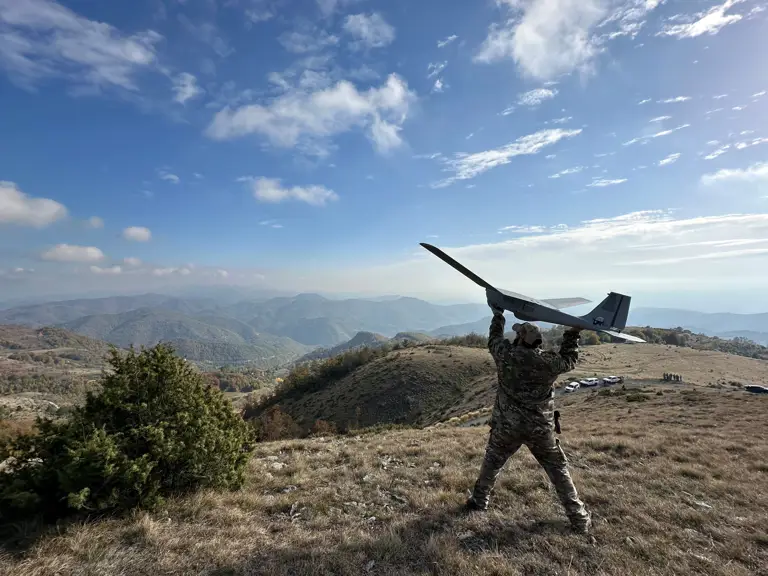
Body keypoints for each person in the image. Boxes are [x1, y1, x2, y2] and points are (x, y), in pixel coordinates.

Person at [466, 288, 592, 534]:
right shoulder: (549, 363)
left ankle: (479, 501)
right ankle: (578, 518)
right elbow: (570, 360)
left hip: (507, 426)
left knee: (492, 463)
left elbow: (493, 340)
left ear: (520, 339)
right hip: (539, 429)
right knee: (558, 470)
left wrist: (498, 314)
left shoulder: (506, 356)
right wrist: (573, 333)